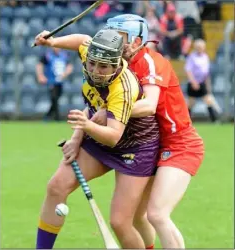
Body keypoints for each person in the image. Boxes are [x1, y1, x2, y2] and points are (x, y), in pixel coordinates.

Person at [34, 28, 159, 249]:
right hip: (98, 137)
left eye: (103, 67)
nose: (95, 71)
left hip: (136, 147)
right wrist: (52, 42)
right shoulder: (94, 53)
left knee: (120, 222)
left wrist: (85, 125)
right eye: (92, 64)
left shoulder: (123, 87)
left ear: (116, 63)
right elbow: (82, 40)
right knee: (56, 187)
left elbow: (113, 136)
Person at [104, 14, 204, 249]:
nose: (112, 43)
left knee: (157, 214)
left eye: (119, 37)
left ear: (137, 41)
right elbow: (84, 44)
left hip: (180, 145)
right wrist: (54, 42)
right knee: (138, 216)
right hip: (153, 147)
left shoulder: (150, 61)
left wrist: (110, 109)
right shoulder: (120, 67)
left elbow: (148, 105)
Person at [185, 39, 220, 122]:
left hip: (202, 83)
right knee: (190, 103)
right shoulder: (192, 57)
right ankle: (186, 120)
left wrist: (208, 84)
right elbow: (188, 70)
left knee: (208, 100)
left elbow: (206, 72)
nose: (200, 48)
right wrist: (193, 82)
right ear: (195, 47)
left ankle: (214, 120)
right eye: (198, 47)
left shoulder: (205, 57)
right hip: (193, 83)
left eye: (201, 47)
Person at [36, 47, 73, 121]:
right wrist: (40, 76)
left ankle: (47, 116)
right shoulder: (47, 55)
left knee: (56, 98)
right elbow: (39, 65)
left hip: (60, 81)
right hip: (51, 81)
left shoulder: (64, 55)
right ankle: (57, 117)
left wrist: (65, 74)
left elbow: (69, 66)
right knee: (54, 98)